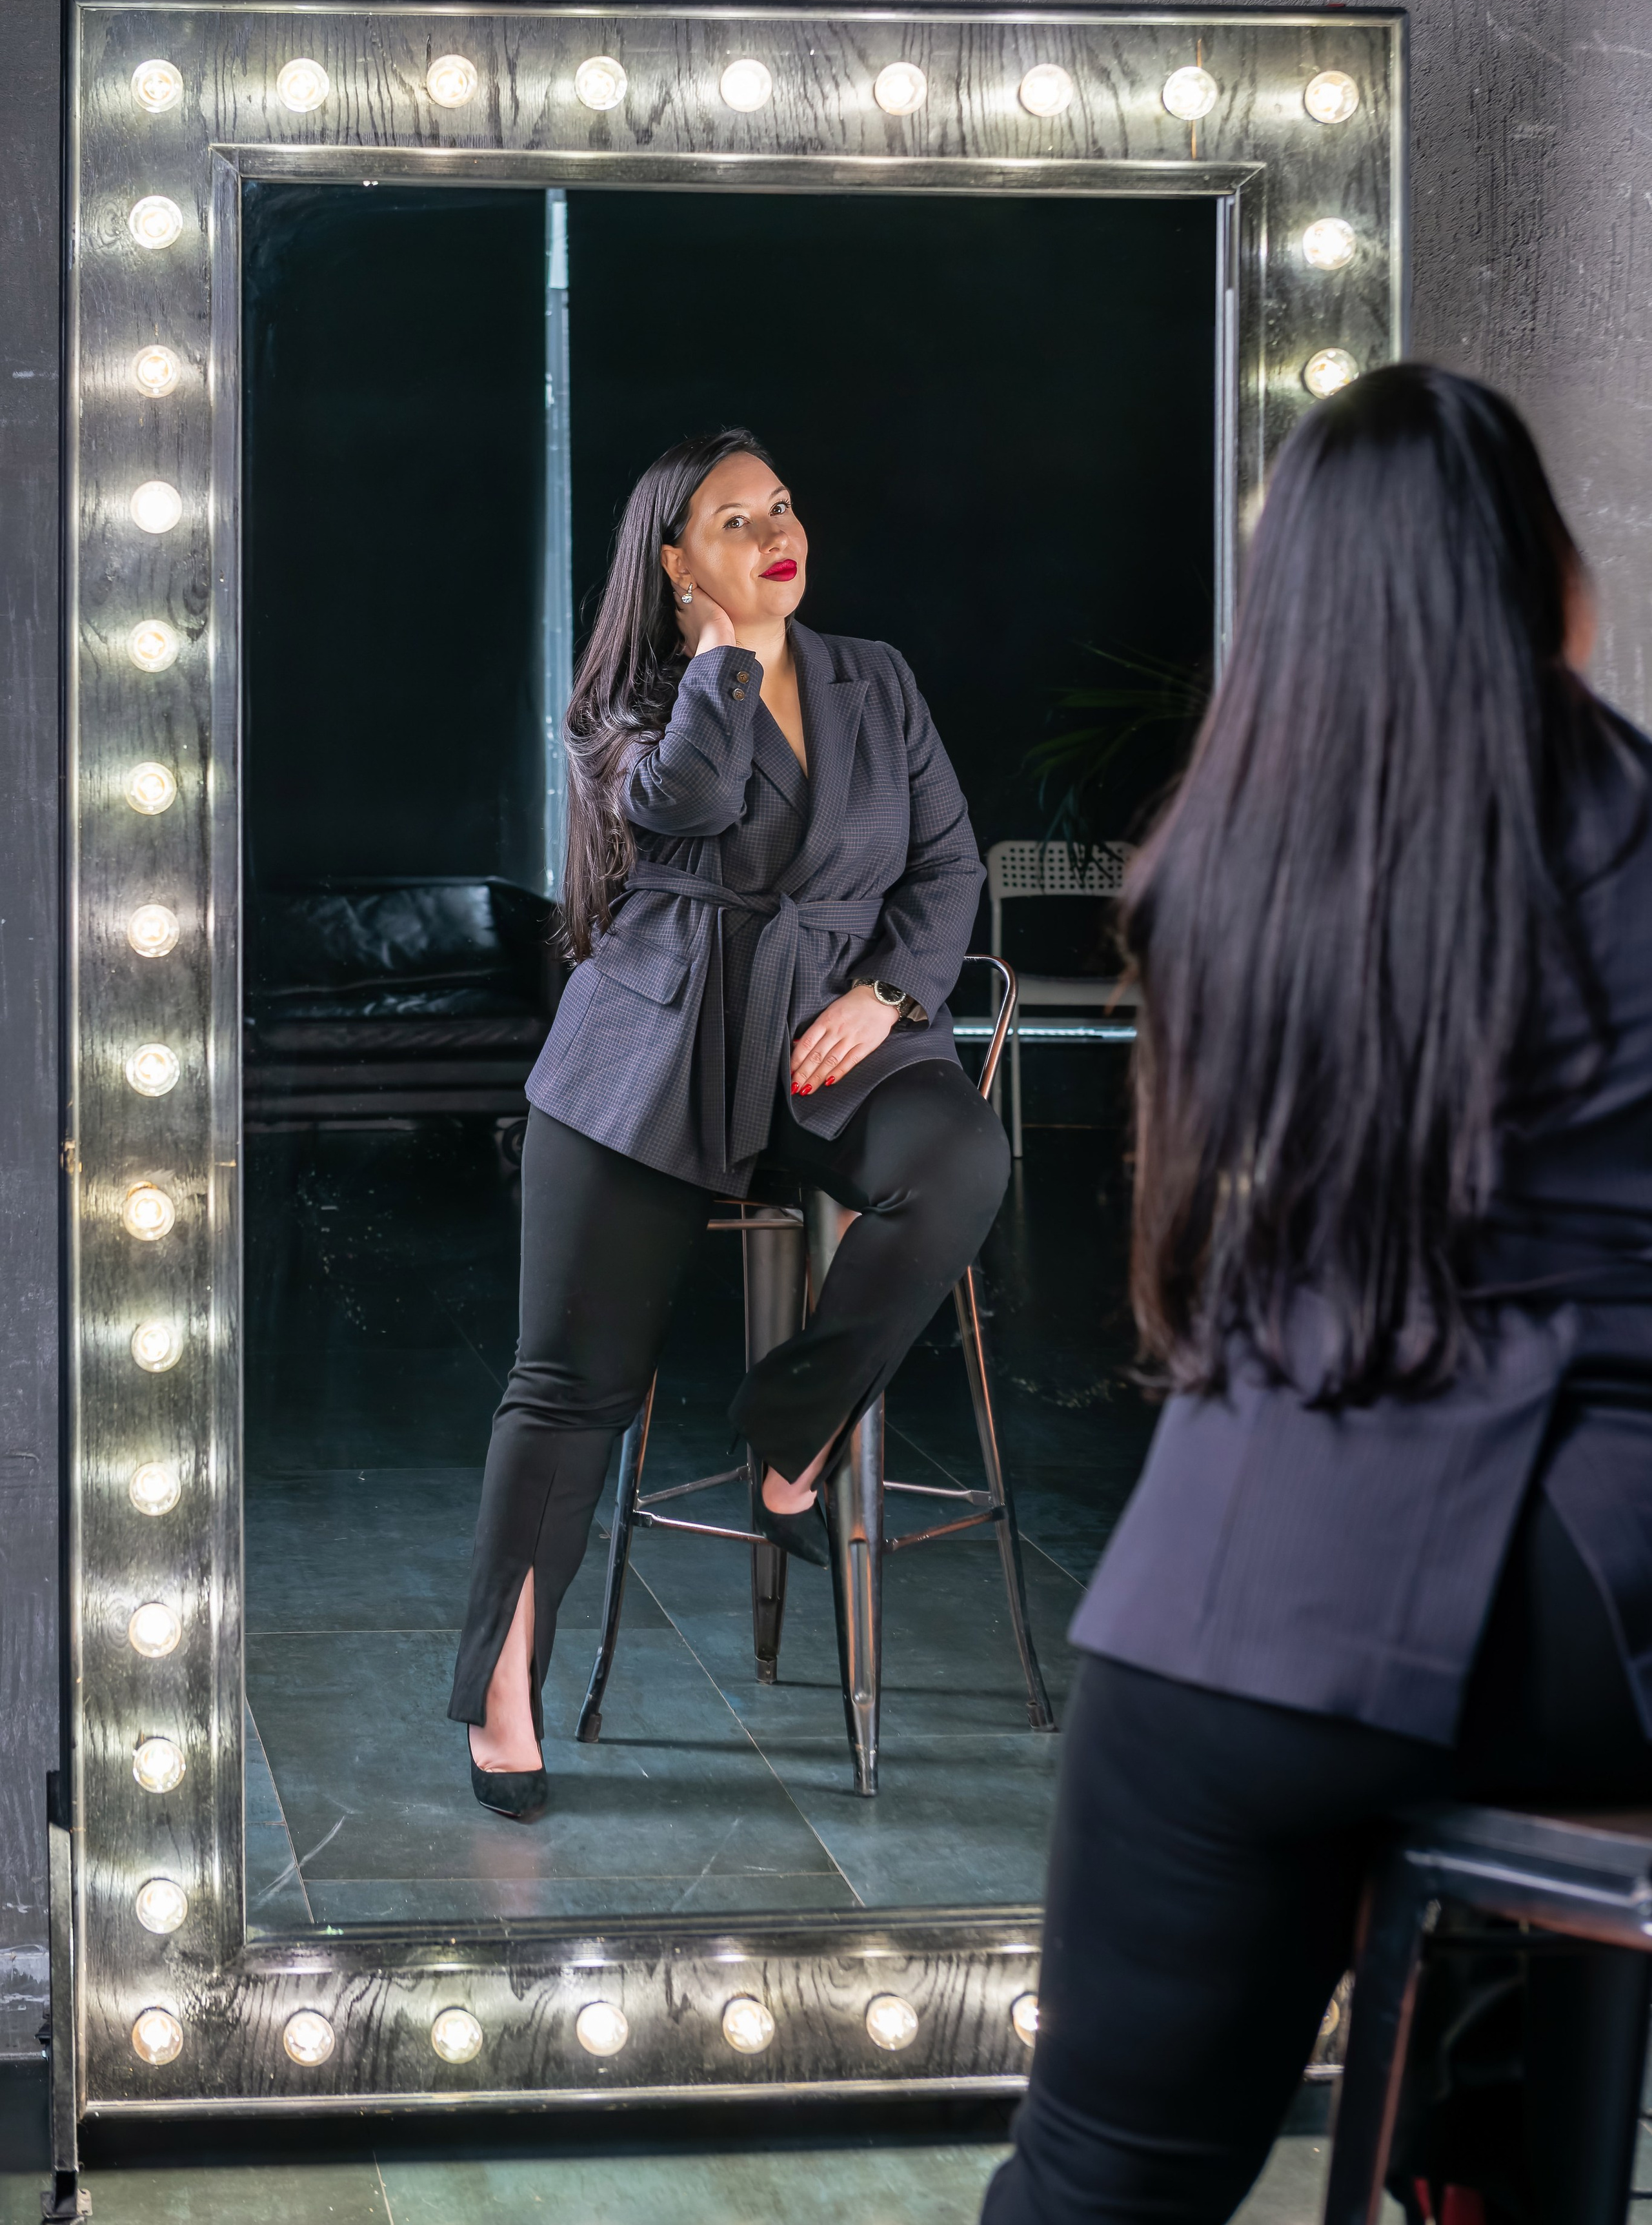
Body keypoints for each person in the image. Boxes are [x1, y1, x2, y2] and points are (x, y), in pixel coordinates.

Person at [983, 364, 1652, 2224]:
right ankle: (1484, 2149)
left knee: (1092, 2180)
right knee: (1521, 2074)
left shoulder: (1224, 865)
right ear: (1545, 582)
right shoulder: (1633, 825)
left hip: (1237, 1598)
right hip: (1582, 1607)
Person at [447, 428, 1008, 1816]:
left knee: (956, 1162)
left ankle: (785, 1432)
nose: (774, 532)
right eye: (733, 519)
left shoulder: (875, 680)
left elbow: (946, 863)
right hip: (650, 1051)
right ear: (676, 561)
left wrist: (889, 991)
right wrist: (721, 662)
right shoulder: (634, 701)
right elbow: (683, 806)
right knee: (568, 1383)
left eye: (781, 506)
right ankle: (504, 1682)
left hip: (825, 1039)